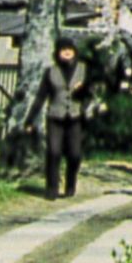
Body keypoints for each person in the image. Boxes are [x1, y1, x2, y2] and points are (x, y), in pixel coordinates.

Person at [24, 36, 89, 199]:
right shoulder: (50, 71)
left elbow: (91, 93)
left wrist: (82, 89)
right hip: (55, 117)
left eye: (70, 49)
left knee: (75, 154)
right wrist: (30, 119)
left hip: (75, 117)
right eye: (63, 49)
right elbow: (41, 96)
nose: (67, 52)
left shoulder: (83, 69)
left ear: (74, 52)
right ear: (58, 53)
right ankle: (52, 187)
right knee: (54, 152)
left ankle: (70, 182)